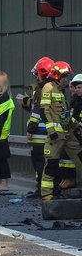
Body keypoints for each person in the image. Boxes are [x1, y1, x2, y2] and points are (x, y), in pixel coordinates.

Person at [40, 61, 82, 200]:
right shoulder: (48, 87)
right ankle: (47, 196)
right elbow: (44, 111)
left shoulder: (60, 90)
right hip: (56, 136)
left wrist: (76, 125)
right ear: (58, 76)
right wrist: (51, 131)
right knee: (51, 164)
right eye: (66, 77)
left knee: (80, 157)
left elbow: (65, 114)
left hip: (67, 133)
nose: (68, 80)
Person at [18, 57, 53, 198]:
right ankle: (46, 190)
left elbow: (36, 113)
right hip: (50, 133)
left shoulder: (41, 89)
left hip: (39, 133)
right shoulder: (54, 88)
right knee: (46, 163)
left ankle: (41, 190)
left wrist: (30, 130)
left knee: (39, 163)